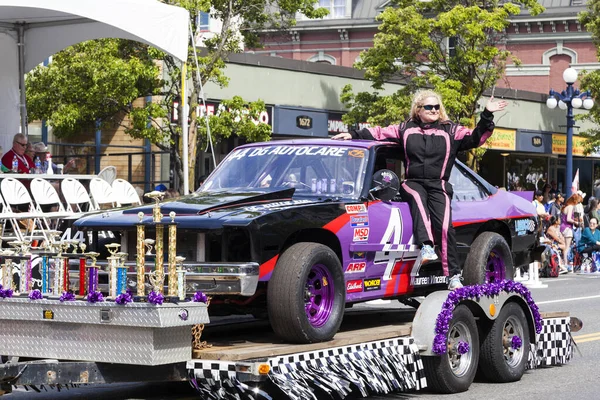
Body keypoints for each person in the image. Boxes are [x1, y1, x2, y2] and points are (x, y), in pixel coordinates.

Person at [332, 89, 508, 289]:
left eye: (436, 107)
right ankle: (426, 246)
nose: (434, 110)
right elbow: (379, 132)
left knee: (444, 227)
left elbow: (477, 137)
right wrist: (352, 134)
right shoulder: (406, 128)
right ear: (418, 110)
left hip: (439, 183)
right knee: (416, 198)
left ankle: (453, 277)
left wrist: (487, 114)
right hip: (413, 181)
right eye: (429, 107)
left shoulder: (451, 130)